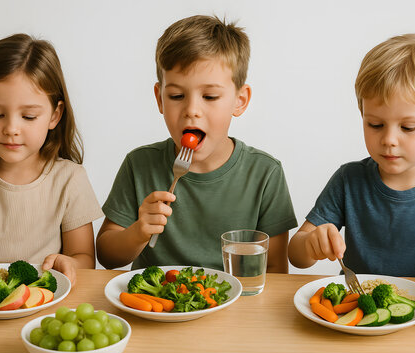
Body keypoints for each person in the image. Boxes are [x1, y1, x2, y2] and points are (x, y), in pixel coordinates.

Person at [288, 34, 415, 321]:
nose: (389, 140)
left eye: (408, 127)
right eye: (375, 124)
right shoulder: (348, 179)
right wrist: (311, 243)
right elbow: (296, 254)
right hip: (355, 315)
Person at [97, 15, 298, 273]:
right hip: (156, 306)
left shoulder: (265, 174)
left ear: (240, 100)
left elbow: (274, 270)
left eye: (210, 96)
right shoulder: (139, 165)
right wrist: (137, 233)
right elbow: (106, 256)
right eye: (177, 95)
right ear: (159, 99)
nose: (191, 110)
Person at [0, 34, 103, 285]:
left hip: (44, 302)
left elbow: (83, 257)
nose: (11, 128)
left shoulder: (69, 178)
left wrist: (70, 263)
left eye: (28, 116)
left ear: (55, 115)